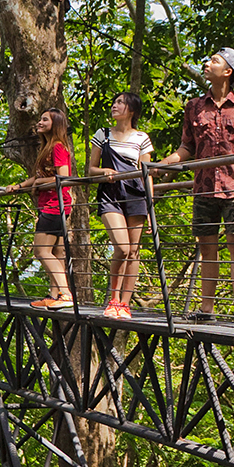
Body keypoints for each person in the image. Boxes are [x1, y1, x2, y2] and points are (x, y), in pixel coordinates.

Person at [155, 48, 234, 328]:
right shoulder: (194, 107)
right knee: (207, 247)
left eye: (214, 60)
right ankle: (206, 309)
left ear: (228, 72)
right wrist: (163, 164)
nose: (206, 63)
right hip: (203, 187)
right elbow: (187, 146)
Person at [87, 91, 154, 319]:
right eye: (114, 102)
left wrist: (150, 206)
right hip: (110, 194)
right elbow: (91, 169)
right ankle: (113, 299)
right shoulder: (102, 134)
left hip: (136, 195)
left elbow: (147, 174)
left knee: (134, 252)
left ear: (131, 110)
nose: (115, 106)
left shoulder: (141, 138)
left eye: (120, 103)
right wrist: (104, 171)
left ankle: (125, 304)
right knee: (122, 248)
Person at [6, 108, 76, 309]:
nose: (39, 122)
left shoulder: (58, 147)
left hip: (56, 204)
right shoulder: (47, 147)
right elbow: (38, 177)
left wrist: (41, 182)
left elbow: (63, 178)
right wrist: (19, 186)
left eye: (45, 119)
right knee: (56, 252)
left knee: (41, 251)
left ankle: (65, 293)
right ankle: (54, 294)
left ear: (56, 124)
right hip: (50, 204)